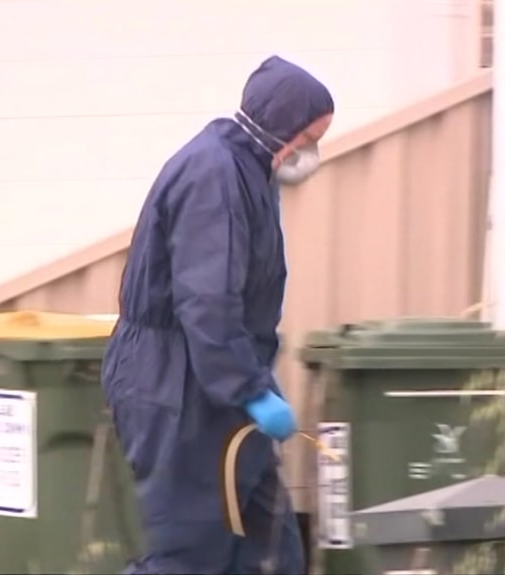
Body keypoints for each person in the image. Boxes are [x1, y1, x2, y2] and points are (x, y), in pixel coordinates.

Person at [101, 55, 334, 574]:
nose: (312, 153)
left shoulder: (251, 171)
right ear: (284, 128)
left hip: (217, 383)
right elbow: (208, 302)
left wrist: (253, 383)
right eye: (311, 138)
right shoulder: (214, 176)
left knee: (269, 548)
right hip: (175, 385)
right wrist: (251, 390)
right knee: (191, 556)